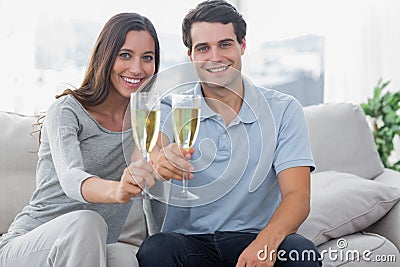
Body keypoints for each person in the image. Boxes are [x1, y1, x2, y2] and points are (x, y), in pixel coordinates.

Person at [137, 1, 321, 266]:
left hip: (255, 237)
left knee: (301, 251)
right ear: (190, 55)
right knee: (155, 249)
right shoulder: (170, 107)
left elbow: (298, 197)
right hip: (190, 244)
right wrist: (161, 157)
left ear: (242, 46)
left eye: (225, 44)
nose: (215, 57)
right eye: (203, 48)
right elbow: (155, 150)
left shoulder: (284, 110)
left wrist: (265, 244)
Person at [0, 12, 160, 267]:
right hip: (27, 248)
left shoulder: (147, 120)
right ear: (105, 56)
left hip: (92, 247)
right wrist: (116, 190)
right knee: (87, 221)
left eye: (147, 58)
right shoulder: (67, 110)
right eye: (125, 55)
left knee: (122, 257)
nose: (137, 68)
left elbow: (150, 170)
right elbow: (72, 178)